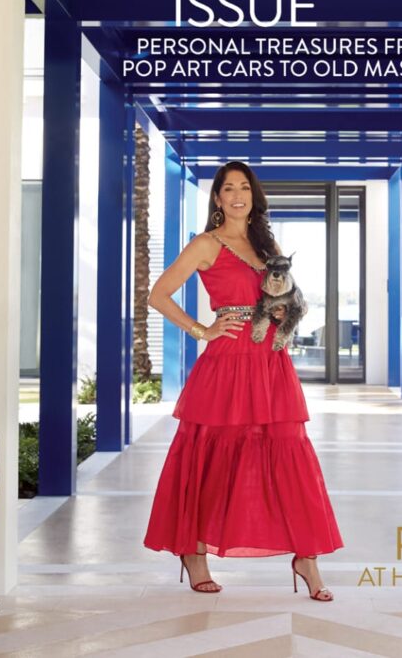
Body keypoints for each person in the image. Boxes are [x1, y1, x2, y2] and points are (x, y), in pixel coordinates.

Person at [143, 161, 343, 600]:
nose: (237, 195)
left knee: (290, 455)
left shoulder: (267, 244)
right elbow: (158, 295)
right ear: (217, 198)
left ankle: (306, 558)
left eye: (244, 188)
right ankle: (194, 551)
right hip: (228, 363)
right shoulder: (206, 243)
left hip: (271, 363)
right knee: (213, 460)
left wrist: (286, 313)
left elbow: (287, 297)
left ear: (254, 196)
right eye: (229, 188)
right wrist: (202, 330)